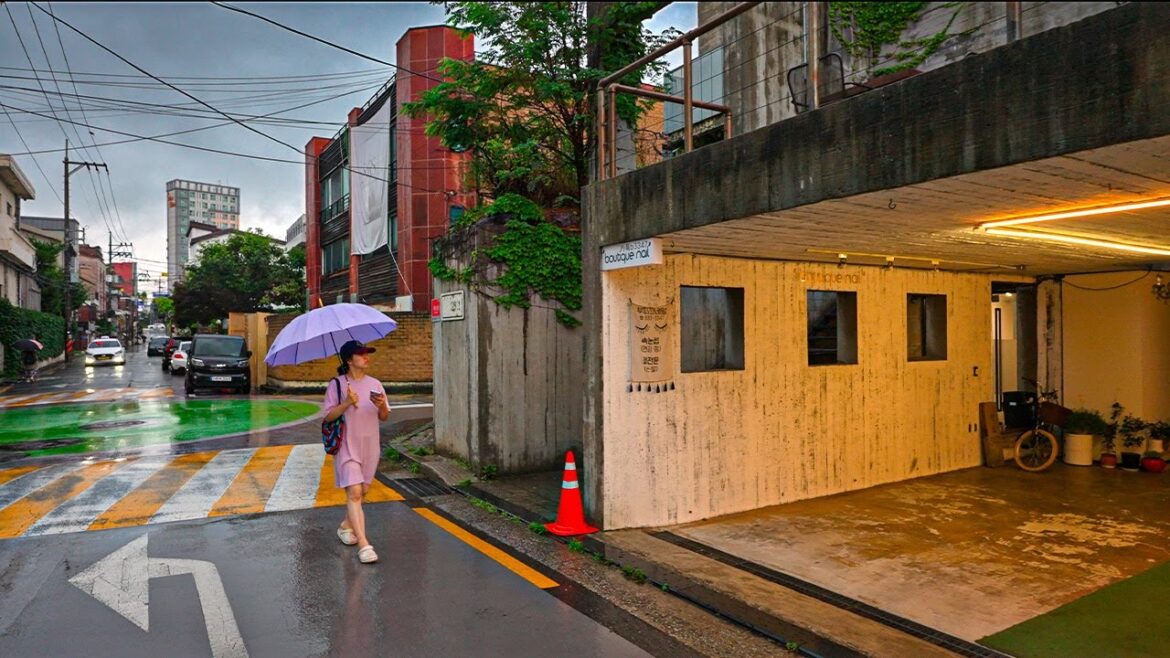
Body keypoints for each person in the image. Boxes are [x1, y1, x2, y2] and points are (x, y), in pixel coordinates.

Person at [322, 339, 390, 564]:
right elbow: (328, 416)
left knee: (362, 493)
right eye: (361, 354)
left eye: (367, 353)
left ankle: (345, 525)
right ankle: (364, 544)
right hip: (347, 447)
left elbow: (384, 416)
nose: (366, 357)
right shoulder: (337, 385)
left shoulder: (376, 384)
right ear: (349, 360)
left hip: (370, 446)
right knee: (355, 493)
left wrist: (381, 405)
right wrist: (346, 402)